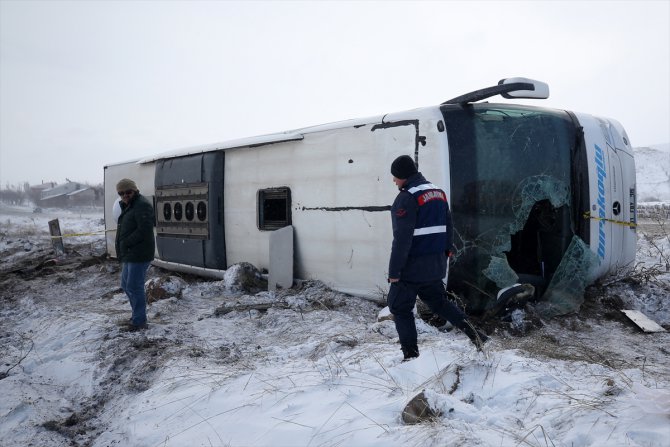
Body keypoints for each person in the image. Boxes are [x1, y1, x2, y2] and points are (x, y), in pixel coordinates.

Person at [387, 155, 488, 360]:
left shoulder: (406, 197)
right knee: (439, 303)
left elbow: (402, 239)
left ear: (403, 176)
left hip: (411, 268)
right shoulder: (438, 193)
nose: (394, 181)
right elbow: (449, 226)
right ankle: (477, 335)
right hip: (435, 265)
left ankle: (411, 356)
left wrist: (394, 272)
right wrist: (446, 253)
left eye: (395, 177)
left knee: (399, 306)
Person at [115, 178, 155, 331]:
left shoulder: (142, 205)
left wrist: (126, 242)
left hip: (139, 253)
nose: (125, 195)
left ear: (135, 191)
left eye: (128, 192)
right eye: (121, 193)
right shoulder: (128, 205)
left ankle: (139, 321)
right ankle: (136, 316)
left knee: (134, 286)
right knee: (126, 285)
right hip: (130, 253)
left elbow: (144, 230)